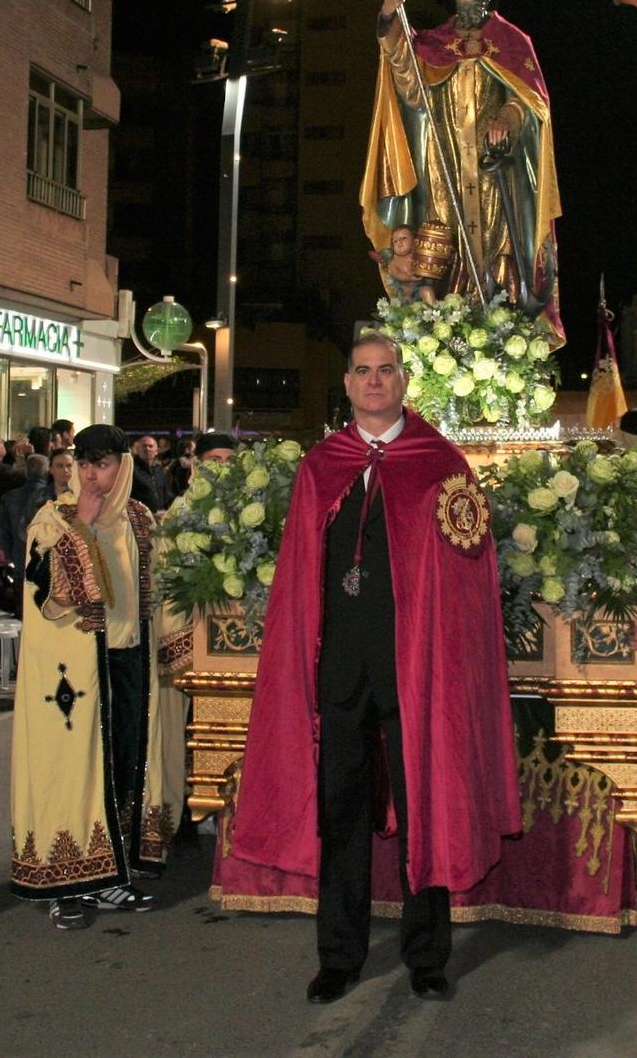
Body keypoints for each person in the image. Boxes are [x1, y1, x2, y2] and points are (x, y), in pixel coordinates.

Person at [236, 332, 520, 1003]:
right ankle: (339, 954)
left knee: (427, 806)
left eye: (385, 369)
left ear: (403, 380)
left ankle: (427, 955)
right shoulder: (321, 465)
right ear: (347, 382)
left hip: (418, 675)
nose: (373, 380)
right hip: (339, 671)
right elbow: (300, 577)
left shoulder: (441, 465)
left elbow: (467, 577)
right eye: (362, 370)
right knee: (340, 814)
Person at [9, 425, 177, 925]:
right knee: (72, 772)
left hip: (129, 662)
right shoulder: (53, 517)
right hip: (74, 670)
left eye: (101, 465)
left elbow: (164, 592)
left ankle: (113, 876)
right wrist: (79, 527)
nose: (90, 476)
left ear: (122, 467)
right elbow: (46, 590)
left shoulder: (142, 519)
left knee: (124, 768)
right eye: (83, 464)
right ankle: (69, 885)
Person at [363, 0, 564, 341]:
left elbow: (531, 99)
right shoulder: (437, 43)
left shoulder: (510, 41)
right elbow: (405, 73)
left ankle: (503, 324)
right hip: (446, 165)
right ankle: (448, 324)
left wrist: (507, 117)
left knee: (498, 240)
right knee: (443, 237)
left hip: (495, 167)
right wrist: (388, 19)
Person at [0, 446, 73, 605]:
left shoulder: (82, 496)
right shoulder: (40, 497)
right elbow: (25, 530)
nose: (65, 470)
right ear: (51, 469)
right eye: (59, 466)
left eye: (69, 466)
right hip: (41, 565)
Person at [371, 223, 438, 304]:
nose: (399, 242)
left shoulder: (419, 256)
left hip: (421, 287)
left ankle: (433, 312)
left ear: (414, 240)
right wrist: (410, 278)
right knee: (405, 300)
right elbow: (397, 275)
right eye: (395, 241)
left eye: (403, 238)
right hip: (406, 293)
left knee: (427, 291)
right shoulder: (394, 262)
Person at [130, 433, 170, 512]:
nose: (147, 449)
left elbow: (166, 495)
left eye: (150, 446)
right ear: (137, 450)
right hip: (140, 520)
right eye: (144, 446)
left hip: (161, 517)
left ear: (156, 451)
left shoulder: (159, 470)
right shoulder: (131, 470)